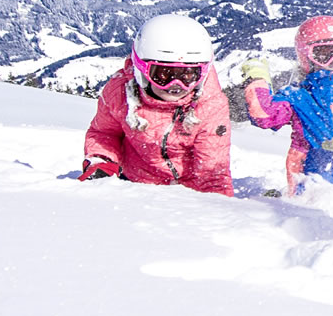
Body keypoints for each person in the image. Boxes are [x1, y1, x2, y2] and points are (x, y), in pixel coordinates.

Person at [240, 15, 333, 200]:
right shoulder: (297, 95)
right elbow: (264, 115)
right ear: (306, 57)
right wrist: (258, 80)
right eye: (323, 54)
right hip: (309, 184)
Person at [79, 13, 233, 197]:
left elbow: (212, 171)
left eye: (188, 76)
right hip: (134, 185)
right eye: (163, 74)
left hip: (188, 194)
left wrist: (217, 208)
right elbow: (104, 133)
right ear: (142, 69)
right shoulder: (120, 94)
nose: (176, 85)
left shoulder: (209, 106)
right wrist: (102, 162)